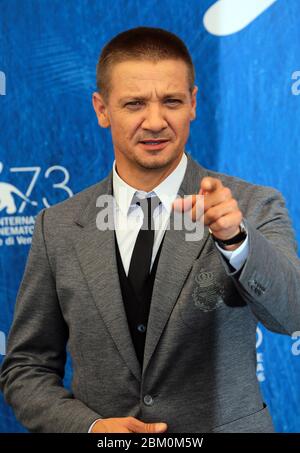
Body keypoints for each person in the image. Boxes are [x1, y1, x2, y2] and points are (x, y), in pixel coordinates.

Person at [1, 26, 300, 434]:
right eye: (135, 103)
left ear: (193, 104)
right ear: (102, 109)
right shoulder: (57, 228)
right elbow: (25, 367)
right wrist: (89, 429)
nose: (155, 121)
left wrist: (236, 240)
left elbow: (292, 313)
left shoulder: (252, 206)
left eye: (172, 101)